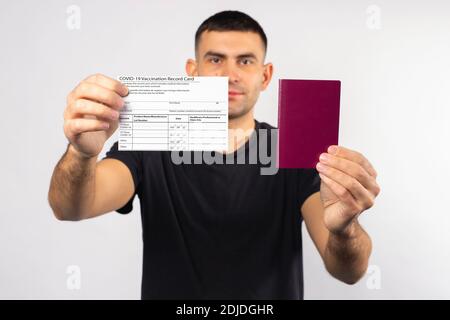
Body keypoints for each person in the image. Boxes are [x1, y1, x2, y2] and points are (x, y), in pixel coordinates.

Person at [48, 10, 380, 299]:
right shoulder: (151, 143)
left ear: (265, 76)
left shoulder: (294, 153)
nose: (230, 74)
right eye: (216, 59)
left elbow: (348, 272)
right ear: (193, 70)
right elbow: (70, 208)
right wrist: (81, 154)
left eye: (246, 61)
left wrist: (345, 228)